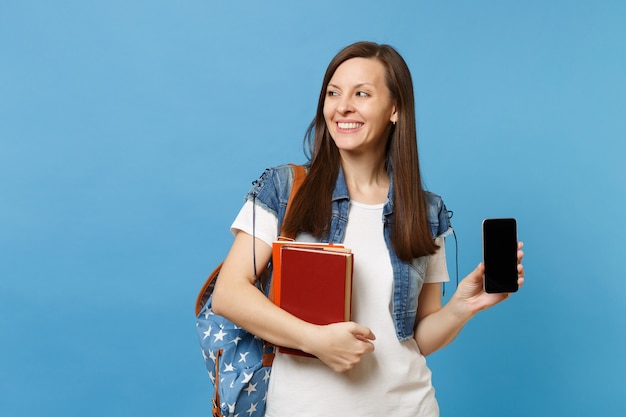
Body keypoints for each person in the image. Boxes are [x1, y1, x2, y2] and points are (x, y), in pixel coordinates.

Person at [212, 41, 525, 417]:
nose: (343, 106)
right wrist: (315, 340)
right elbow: (228, 294)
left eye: (362, 93)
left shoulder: (426, 211)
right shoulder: (285, 189)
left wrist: (463, 306)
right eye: (333, 93)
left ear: (395, 109)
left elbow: (418, 339)